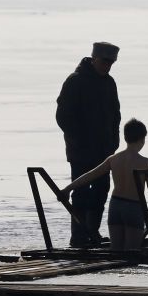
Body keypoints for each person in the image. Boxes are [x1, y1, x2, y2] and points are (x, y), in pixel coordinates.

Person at [56, 42, 122, 248]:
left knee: (102, 190)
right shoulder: (75, 81)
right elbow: (63, 117)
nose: (108, 65)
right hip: (81, 151)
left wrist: (113, 142)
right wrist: (78, 140)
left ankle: (92, 232)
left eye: (111, 62)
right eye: (105, 61)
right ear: (94, 58)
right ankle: (79, 236)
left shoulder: (109, 83)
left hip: (104, 151)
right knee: (81, 192)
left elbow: (115, 116)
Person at [59, 119, 148, 251]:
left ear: (125, 137)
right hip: (134, 207)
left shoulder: (114, 159)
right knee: (132, 253)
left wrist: (68, 189)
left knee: (116, 252)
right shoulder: (145, 162)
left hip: (116, 206)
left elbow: (90, 175)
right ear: (142, 139)